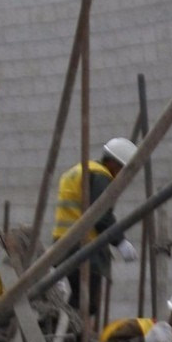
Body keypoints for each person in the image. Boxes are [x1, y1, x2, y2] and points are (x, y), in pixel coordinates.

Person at [55, 136, 139, 318]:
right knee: (86, 303)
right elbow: (100, 214)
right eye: (123, 170)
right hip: (84, 246)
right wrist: (120, 242)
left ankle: (65, 330)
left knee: (79, 300)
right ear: (115, 164)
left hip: (64, 243)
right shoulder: (101, 176)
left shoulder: (79, 170)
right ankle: (72, 338)